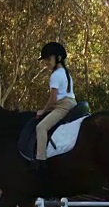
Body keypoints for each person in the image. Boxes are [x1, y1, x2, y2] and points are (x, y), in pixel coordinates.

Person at [33, 42, 77, 171]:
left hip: (63, 106)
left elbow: (53, 99)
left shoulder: (55, 75)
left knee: (41, 127)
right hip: (72, 103)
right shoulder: (66, 73)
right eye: (45, 59)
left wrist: (43, 111)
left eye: (48, 59)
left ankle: (40, 160)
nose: (46, 62)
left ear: (58, 58)